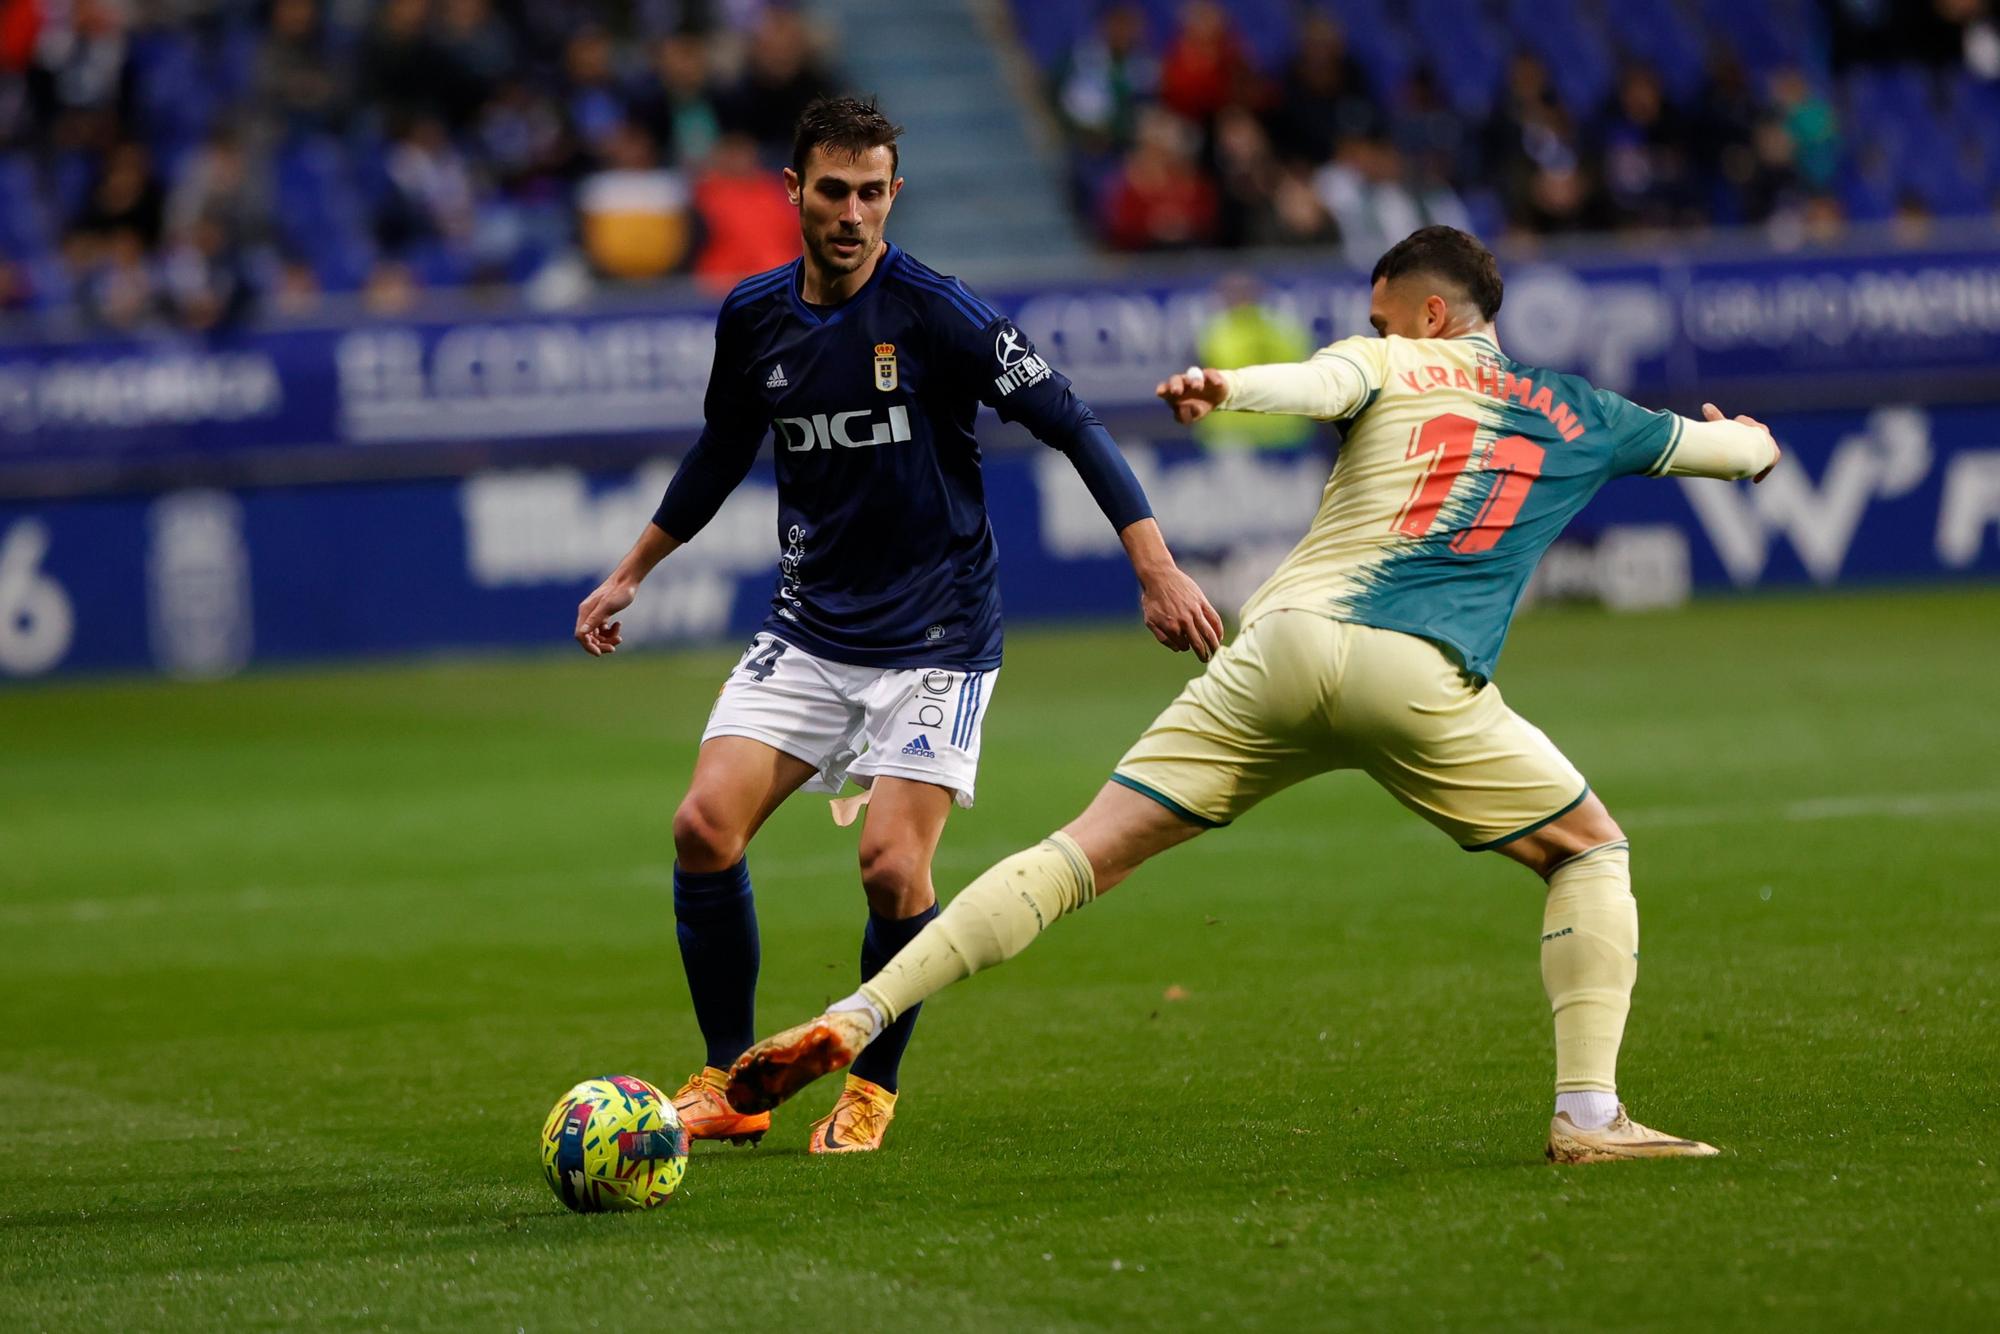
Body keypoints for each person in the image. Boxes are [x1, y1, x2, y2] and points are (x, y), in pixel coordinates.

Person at [725, 225, 1783, 1165]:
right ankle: (1588, 1113)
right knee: (1586, 849)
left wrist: (1226, 388)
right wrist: (1754, 443)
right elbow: (1730, 451)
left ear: (1426, 315)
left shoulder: (1389, 359)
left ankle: (859, 1013)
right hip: (1414, 674)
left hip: (1274, 650)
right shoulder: (1588, 412)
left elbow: (1319, 382)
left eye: (1380, 315)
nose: (1372, 329)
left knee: (1076, 854)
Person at [572, 97, 1220, 1155]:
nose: (853, 213)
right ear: (793, 191)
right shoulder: (753, 316)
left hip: (936, 636)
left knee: (888, 867)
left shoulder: (936, 312)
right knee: (701, 826)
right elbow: (721, 450)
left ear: (893, 196)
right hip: (812, 624)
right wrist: (630, 570)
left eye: (872, 193)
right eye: (833, 190)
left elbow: (1070, 419)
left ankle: (870, 1082)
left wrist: (1154, 566)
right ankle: (732, 1081)